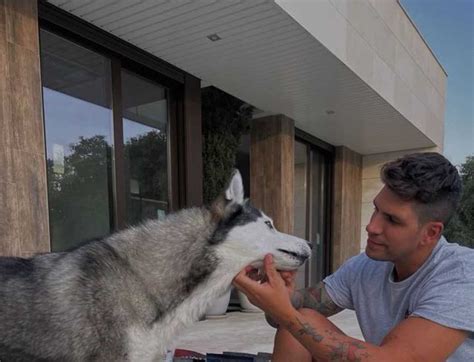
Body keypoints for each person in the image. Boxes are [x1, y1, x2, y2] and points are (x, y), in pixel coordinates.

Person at [233, 152, 474, 361]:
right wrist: (275, 296)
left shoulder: (462, 276)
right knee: (301, 321)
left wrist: (287, 313)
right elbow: (289, 315)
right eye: (376, 209)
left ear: (430, 233)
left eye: (392, 220)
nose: (372, 227)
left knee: (297, 322)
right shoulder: (366, 267)